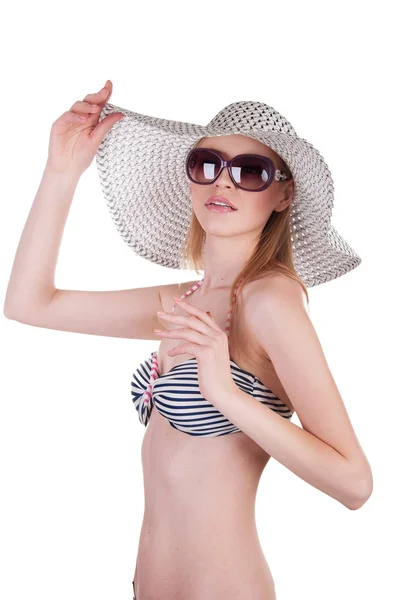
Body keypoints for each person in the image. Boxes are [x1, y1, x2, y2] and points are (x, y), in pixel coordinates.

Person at [4, 79, 373, 600]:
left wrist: (225, 393)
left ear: (283, 194)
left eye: (250, 172)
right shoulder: (185, 300)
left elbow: (354, 483)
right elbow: (28, 305)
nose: (223, 183)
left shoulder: (269, 301)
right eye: (207, 164)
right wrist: (62, 172)